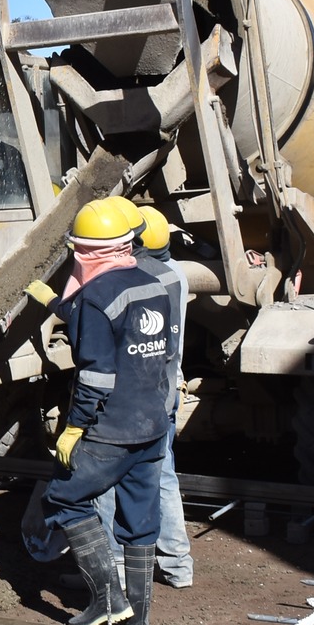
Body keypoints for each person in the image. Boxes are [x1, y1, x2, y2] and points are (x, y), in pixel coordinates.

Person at [20, 196, 171, 625]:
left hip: (111, 429)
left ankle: (107, 598)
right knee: (140, 523)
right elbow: (116, 329)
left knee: (64, 498)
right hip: (152, 424)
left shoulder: (94, 296)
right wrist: (56, 304)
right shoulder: (151, 284)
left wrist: (74, 427)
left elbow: (97, 376)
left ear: (84, 251)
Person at [136, 206, 193, 589]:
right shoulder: (178, 275)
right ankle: (177, 566)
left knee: (112, 485)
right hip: (168, 389)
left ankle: (115, 574)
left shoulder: (142, 279)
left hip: (141, 397)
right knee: (164, 476)